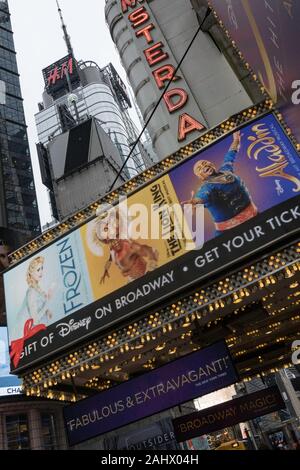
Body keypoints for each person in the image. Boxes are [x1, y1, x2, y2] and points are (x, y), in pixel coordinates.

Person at [182, 131, 258, 236]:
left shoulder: (226, 169)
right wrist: (194, 202)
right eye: (200, 168)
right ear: (200, 176)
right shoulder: (207, 187)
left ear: (211, 164)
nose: (204, 166)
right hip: (230, 234)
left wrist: (236, 140)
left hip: (256, 220)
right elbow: (202, 197)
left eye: (205, 163)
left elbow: (230, 154)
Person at [93, 208, 159, 284]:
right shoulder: (113, 252)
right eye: (105, 230)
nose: (115, 240)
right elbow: (118, 264)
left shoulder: (128, 244)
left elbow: (148, 250)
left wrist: (151, 265)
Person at [16, 256, 53, 336]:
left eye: (42, 268)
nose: (41, 272)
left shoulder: (38, 289)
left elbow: (44, 313)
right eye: (38, 270)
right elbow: (35, 321)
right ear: (31, 273)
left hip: (44, 333)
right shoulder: (31, 292)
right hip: (34, 336)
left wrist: (47, 311)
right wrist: (48, 303)